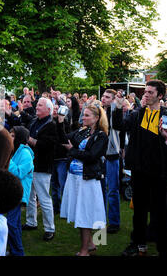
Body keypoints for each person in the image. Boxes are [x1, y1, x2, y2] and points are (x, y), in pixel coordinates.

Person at [112, 80, 167, 257]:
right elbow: (119, 126)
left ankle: (166, 249)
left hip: (159, 174)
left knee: (162, 214)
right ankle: (137, 244)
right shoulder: (137, 114)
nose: (145, 95)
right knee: (138, 212)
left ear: (160, 96)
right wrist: (117, 107)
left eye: (150, 92)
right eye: (145, 92)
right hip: (139, 172)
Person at [59, 104, 109, 256]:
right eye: (83, 114)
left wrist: (72, 151)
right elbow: (65, 139)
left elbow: (92, 156)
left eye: (87, 115)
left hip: (88, 178)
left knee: (86, 214)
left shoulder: (101, 136)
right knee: (81, 212)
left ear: (96, 118)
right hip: (75, 177)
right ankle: (91, 244)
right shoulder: (84, 131)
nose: (83, 118)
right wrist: (60, 122)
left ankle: (84, 251)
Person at [23, 97, 57, 241]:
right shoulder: (34, 121)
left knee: (44, 198)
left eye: (40, 106)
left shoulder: (51, 125)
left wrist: (28, 139)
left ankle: (50, 228)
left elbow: (46, 145)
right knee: (30, 196)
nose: (36, 107)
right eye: (37, 105)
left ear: (48, 109)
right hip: (30, 165)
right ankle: (31, 222)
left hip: (42, 166)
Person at [7, 126, 34, 256]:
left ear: (19, 138)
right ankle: (14, 250)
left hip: (18, 192)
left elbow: (18, 173)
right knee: (15, 224)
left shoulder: (25, 154)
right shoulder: (13, 150)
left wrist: (7, 158)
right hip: (9, 191)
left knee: (11, 224)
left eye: (13, 136)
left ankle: (18, 252)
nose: (9, 137)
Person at [100, 89, 123, 234]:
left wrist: (117, 106)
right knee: (100, 190)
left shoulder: (114, 112)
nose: (104, 98)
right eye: (103, 96)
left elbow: (119, 126)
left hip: (112, 155)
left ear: (113, 99)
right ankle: (100, 218)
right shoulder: (99, 111)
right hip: (99, 156)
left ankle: (114, 222)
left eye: (108, 97)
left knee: (112, 190)